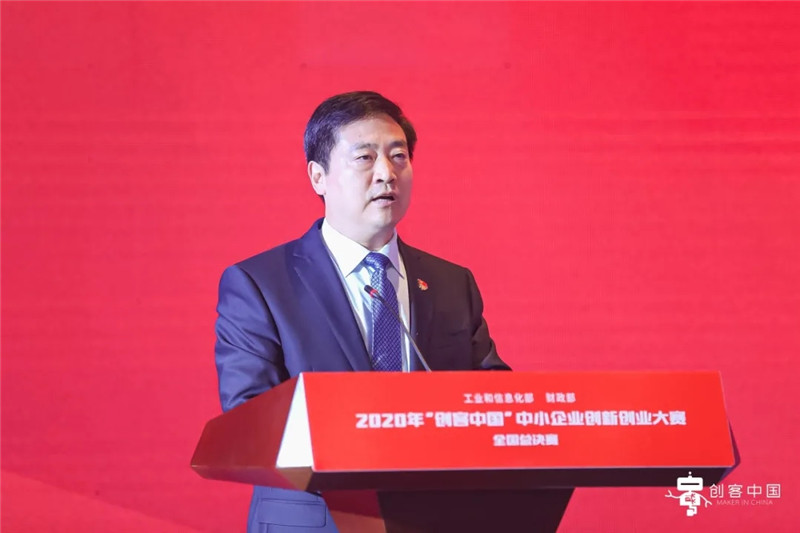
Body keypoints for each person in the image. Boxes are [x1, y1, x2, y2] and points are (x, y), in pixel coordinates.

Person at [214, 91, 510, 532]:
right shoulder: (261, 285)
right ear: (318, 176)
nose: (387, 173)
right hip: (314, 522)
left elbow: (492, 398)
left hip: (435, 519)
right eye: (365, 157)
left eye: (399, 156)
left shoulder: (452, 283)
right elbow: (250, 417)